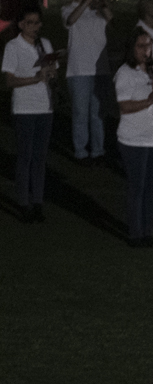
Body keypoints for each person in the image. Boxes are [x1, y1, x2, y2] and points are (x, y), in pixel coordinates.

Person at [114, 29, 153, 247]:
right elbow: (124, 107)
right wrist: (150, 99)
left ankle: (148, 232)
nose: (146, 51)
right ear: (131, 49)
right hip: (133, 138)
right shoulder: (124, 73)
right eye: (140, 46)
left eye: (148, 46)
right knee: (137, 187)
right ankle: (135, 233)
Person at [3, 6, 55, 222]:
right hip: (24, 108)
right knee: (25, 157)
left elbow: (53, 71)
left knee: (40, 158)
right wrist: (36, 78)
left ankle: (37, 202)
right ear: (21, 24)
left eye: (37, 22)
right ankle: (24, 203)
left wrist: (51, 72)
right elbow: (9, 81)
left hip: (45, 107)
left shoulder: (45, 45)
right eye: (30, 23)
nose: (35, 27)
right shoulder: (13, 46)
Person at [62, 0, 112, 164]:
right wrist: (85, 3)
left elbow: (112, 21)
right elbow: (70, 21)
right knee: (80, 113)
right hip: (78, 70)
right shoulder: (67, 9)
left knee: (97, 114)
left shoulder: (99, 10)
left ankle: (98, 150)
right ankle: (81, 151)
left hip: (100, 69)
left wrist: (102, 5)